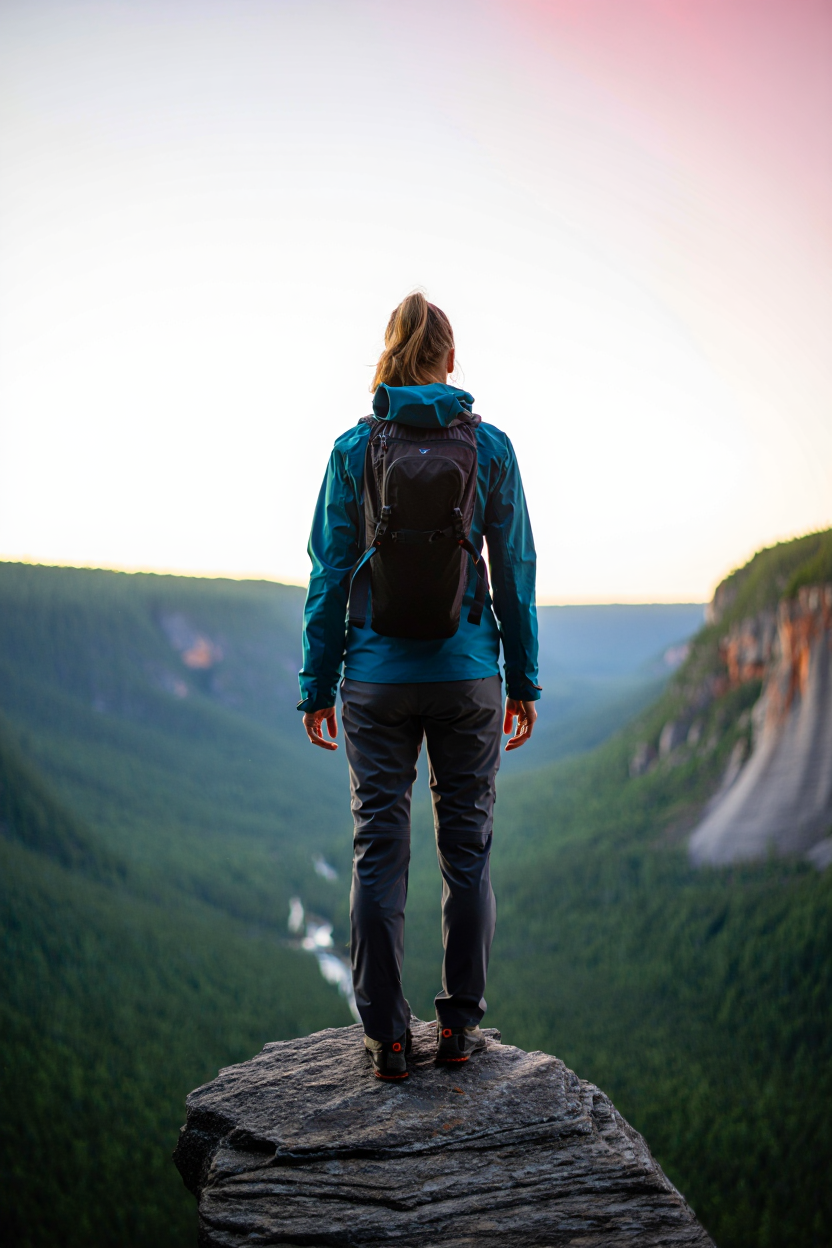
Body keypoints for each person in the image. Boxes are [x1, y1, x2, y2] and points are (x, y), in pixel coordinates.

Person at [298, 292, 540, 1079]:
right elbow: (516, 571)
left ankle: (386, 1037)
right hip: (469, 674)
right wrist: (523, 680)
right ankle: (462, 1029)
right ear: (448, 359)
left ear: (391, 355)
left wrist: (317, 684)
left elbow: (328, 574)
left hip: (373, 681)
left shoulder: (352, 450)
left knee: (379, 854)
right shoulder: (491, 447)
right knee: (467, 854)